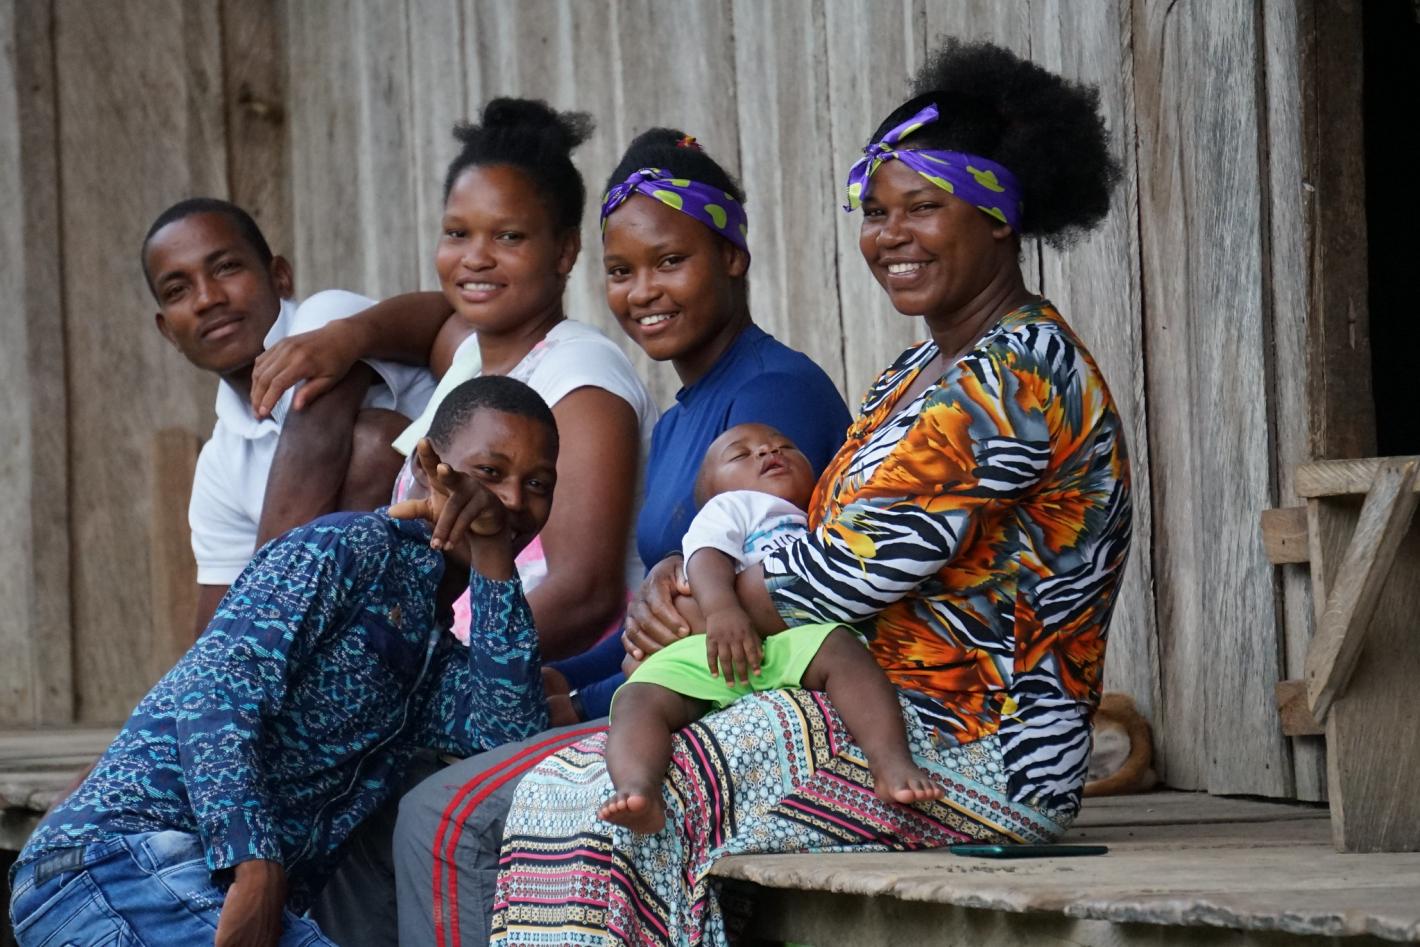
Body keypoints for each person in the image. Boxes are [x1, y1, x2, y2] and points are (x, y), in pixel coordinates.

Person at [489, 39, 1134, 947]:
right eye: (874, 211)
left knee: (600, 803)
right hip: (861, 709)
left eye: (923, 208)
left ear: (999, 218)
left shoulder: (1018, 375)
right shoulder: (914, 373)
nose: (889, 234)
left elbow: (841, 574)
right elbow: (798, 531)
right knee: (571, 791)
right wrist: (692, 578)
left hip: (973, 753)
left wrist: (696, 597)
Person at [391, 129, 853, 947]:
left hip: (762, 702)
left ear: (732, 255)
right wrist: (569, 676)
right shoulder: (678, 420)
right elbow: (658, 616)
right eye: (621, 270)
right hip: (670, 694)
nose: (644, 291)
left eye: (669, 261)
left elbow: (751, 606)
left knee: (440, 811)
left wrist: (596, 688)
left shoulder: (774, 393)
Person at [8, 375, 558, 947]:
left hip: (196, 883)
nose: (513, 499)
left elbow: (506, 734)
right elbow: (217, 692)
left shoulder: (432, 648)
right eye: (489, 474)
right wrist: (255, 865)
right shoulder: (349, 549)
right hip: (122, 859)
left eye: (537, 484)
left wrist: (495, 556)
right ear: (427, 467)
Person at [250, 98, 657, 659]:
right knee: (362, 428)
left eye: (508, 237)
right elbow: (434, 319)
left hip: (528, 681)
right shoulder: (471, 358)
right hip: (437, 665)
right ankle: (260, 632)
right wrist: (350, 336)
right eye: (457, 233)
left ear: (564, 251)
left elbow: (585, 596)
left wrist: (429, 679)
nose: (475, 259)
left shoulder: (581, 376)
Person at [601, 422, 943, 835]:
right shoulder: (731, 507)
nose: (767, 452)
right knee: (638, 699)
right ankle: (638, 787)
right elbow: (706, 559)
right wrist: (723, 610)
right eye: (741, 455)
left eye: (785, 445)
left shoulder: (822, 516)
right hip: (712, 642)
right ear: (712, 491)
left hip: (784, 643)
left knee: (842, 650)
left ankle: (890, 762)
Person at [142, 198, 444, 635]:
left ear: (280, 276)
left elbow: (317, 441)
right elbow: (216, 628)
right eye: (177, 291)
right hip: (354, 641)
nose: (207, 299)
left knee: (372, 444)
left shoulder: (326, 318)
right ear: (168, 331)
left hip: (465, 583)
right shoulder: (220, 462)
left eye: (226, 267)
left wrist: (255, 646)